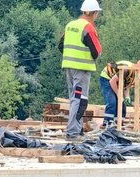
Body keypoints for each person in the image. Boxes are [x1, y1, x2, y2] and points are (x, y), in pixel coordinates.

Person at [59, 0, 103, 140]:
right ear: (94, 13)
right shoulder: (88, 27)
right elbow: (97, 51)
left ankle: (76, 130)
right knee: (80, 100)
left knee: (74, 99)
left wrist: (71, 57)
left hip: (69, 68)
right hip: (82, 70)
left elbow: (61, 45)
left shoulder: (70, 25)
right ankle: (73, 132)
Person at [100, 59, 140, 128]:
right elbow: (112, 82)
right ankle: (107, 123)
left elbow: (125, 85)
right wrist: (119, 95)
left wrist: (127, 97)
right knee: (112, 102)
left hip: (116, 81)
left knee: (122, 104)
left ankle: (119, 123)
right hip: (107, 78)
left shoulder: (134, 75)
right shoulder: (126, 70)